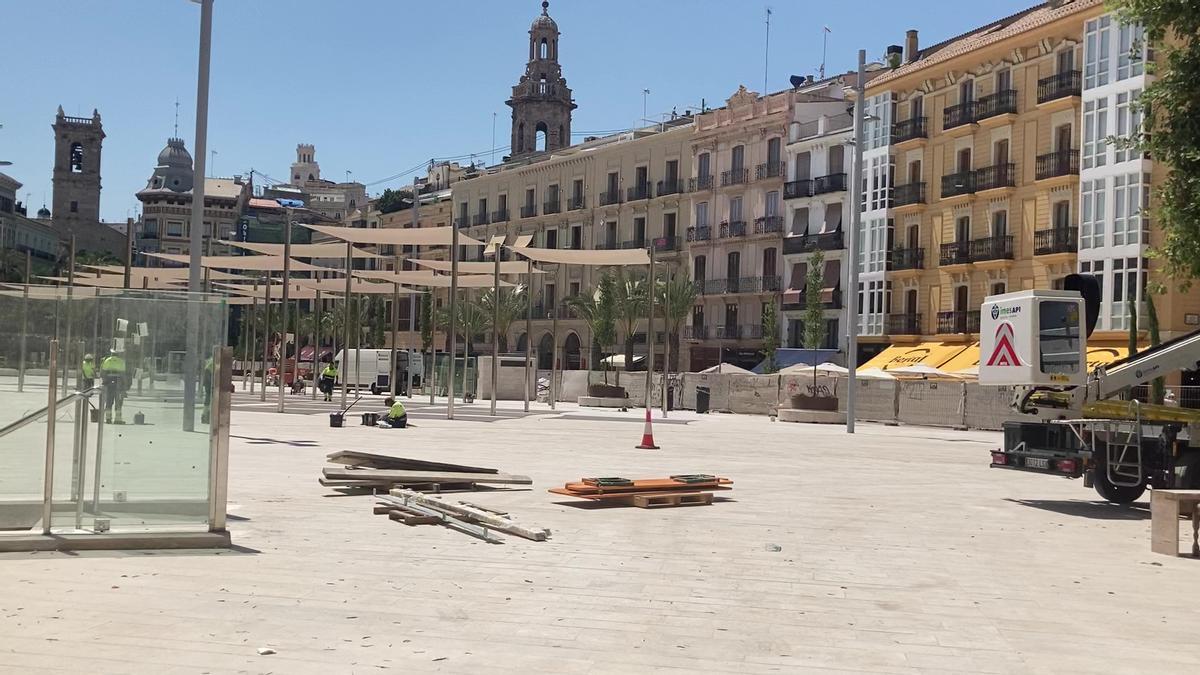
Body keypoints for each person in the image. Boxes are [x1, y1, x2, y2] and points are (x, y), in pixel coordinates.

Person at [100, 350, 128, 424]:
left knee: (109, 400)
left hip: (109, 382)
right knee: (118, 401)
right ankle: (118, 419)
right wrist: (124, 385)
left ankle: (108, 418)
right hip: (118, 382)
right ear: (118, 354)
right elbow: (123, 374)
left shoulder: (107, 360)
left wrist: (104, 381)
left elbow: (103, 372)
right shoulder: (121, 361)